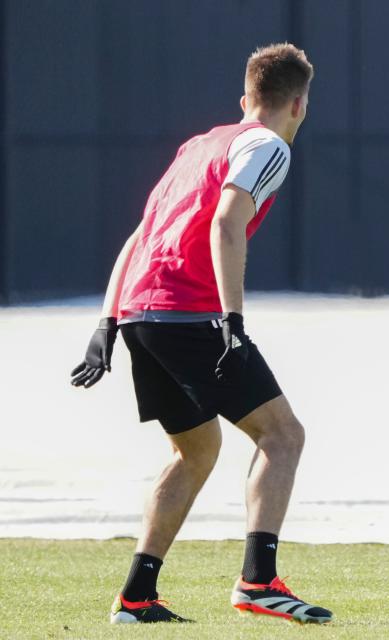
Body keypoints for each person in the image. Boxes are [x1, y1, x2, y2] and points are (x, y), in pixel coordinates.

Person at [69, 43, 332, 624]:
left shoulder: (200, 145)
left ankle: (137, 597)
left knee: (196, 450)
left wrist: (109, 319)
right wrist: (233, 321)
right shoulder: (268, 145)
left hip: (142, 312)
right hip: (190, 314)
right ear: (299, 105)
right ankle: (258, 583)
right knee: (283, 436)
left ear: (244, 99)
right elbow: (225, 222)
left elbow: (142, 234)